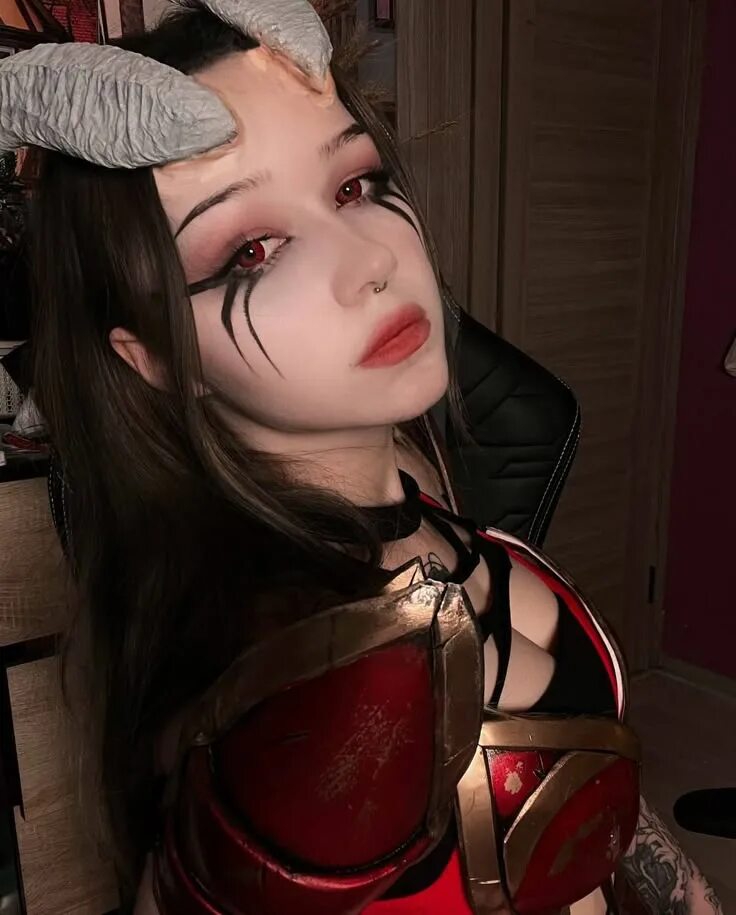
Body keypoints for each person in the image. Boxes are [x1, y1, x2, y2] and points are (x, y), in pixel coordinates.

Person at [0, 1, 723, 912]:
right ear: (152, 361)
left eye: (354, 185)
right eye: (253, 250)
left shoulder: (407, 471)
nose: (370, 261)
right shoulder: (308, 693)